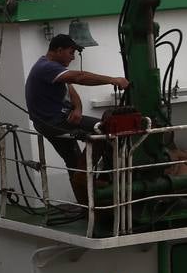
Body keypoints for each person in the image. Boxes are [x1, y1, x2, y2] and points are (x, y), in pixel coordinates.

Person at [25, 33, 130, 202]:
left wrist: (78, 108)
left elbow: (70, 87)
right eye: (71, 52)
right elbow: (78, 77)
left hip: (55, 119)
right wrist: (113, 80)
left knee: (72, 160)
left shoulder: (49, 67)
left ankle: (85, 203)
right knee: (104, 128)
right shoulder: (46, 67)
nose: (73, 57)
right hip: (53, 122)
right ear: (58, 50)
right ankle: (95, 176)